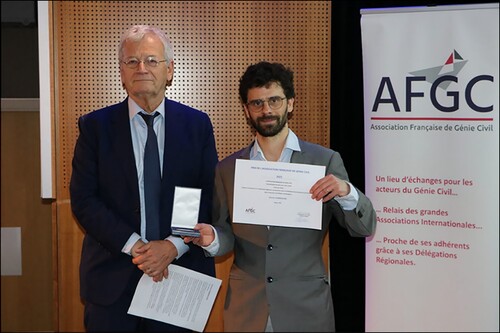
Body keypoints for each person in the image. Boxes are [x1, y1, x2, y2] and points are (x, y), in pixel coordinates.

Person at [184, 61, 376, 332]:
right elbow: (226, 233)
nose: (267, 110)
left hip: (306, 309)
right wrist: (213, 239)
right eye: (257, 103)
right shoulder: (228, 169)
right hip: (246, 309)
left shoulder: (325, 161)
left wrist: (346, 192)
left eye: (274, 100)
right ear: (246, 110)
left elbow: (364, 227)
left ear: (290, 103)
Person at [69, 25, 218, 332]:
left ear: (170, 70)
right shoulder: (95, 127)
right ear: (121, 73)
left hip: (178, 276)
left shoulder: (197, 125)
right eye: (132, 61)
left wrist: (173, 245)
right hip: (113, 280)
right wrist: (136, 246)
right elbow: (84, 199)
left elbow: (205, 194)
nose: (142, 68)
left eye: (152, 60)